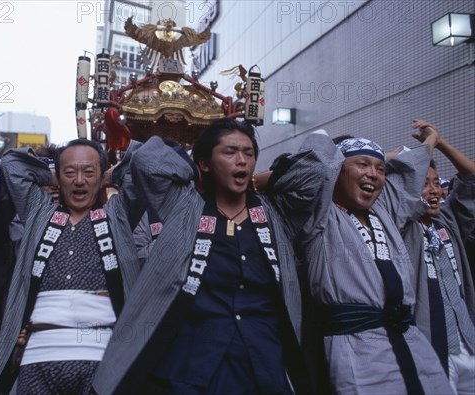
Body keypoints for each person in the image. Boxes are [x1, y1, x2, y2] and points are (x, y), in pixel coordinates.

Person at [94, 118, 323, 394]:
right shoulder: (184, 204)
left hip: (263, 362)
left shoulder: (275, 211)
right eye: (229, 152)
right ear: (205, 163)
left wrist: (262, 180)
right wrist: (196, 173)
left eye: (248, 153)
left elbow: (321, 167)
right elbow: (146, 159)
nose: (241, 161)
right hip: (194, 365)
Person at [293, 126, 453, 394]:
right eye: (362, 165)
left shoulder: (384, 209)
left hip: (409, 336)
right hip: (355, 343)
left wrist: (431, 140)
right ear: (337, 171)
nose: (373, 174)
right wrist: (339, 151)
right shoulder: (320, 214)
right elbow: (315, 163)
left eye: (380, 169)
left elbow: (411, 172)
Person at [0, 139, 142, 394]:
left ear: (101, 176)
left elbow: (147, 164)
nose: (79, 181)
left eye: (88, 172)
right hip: (38, 355)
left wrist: (110, 174)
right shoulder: (40, 212)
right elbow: (11, 164)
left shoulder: (117, 215)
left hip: (102, 357)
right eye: (70, 172)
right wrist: (53, 173)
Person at [401, 120, 475, 394]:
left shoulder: (447, 221)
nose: (435, 191)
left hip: (468, 341)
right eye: (424, 184)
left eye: (436, 183)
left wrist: (439, 142)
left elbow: (472, 180)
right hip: (432, 347)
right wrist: (425, 148)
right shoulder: (400, 226)